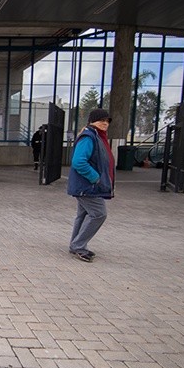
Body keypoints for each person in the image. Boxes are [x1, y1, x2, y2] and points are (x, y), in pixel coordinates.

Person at [66, 109, 115, 262]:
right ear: (92, 121)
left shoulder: (95, 136)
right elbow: (79, 161)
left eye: (107, 121)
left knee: (83, 214)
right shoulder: (89, 137)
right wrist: (96, 178)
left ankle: (76, 244)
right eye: (101, 120)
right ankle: (79, 246)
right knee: (99, 214)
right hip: (88, 187)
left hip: (87, 186)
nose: (105, 123)